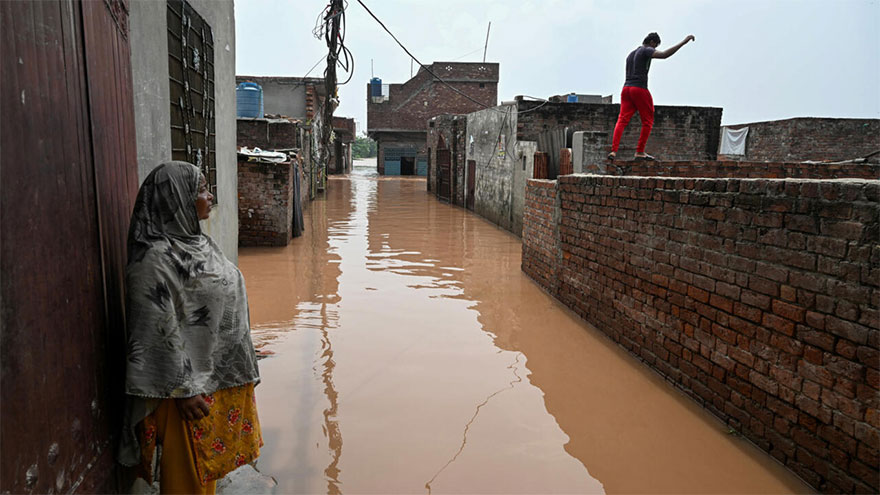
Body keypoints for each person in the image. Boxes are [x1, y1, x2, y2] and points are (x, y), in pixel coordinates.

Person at [117, 161, 262, 494]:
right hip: (184, 392)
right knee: (188, 479)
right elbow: (153, 328)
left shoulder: (197, 243)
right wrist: (184, 390)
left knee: (208, 468)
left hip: (214, 378)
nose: (210, 197)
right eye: (201, 190)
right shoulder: (153, 261)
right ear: (175, 199)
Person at [608, 32, 695, 161]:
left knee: (622, 120)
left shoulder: (631, 54)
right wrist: (684, 42)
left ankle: (614, 151)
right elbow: (664, 55)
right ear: (653, 43)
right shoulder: (646, 50)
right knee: (648, 121)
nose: (654, 49)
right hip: (639, 89)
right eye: (655, 46)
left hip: (626, 89)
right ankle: (640, 152)